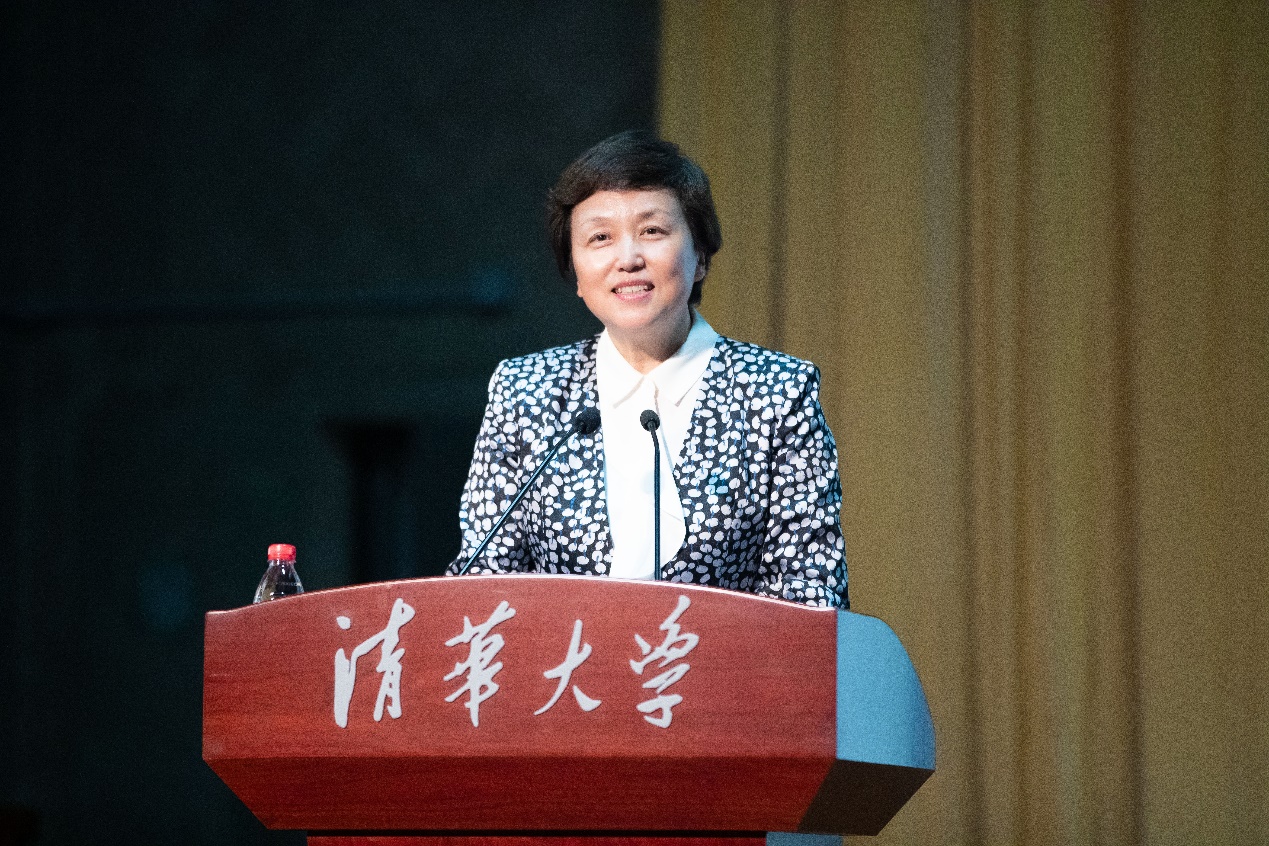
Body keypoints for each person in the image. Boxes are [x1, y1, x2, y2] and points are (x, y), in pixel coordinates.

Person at [447, 130, 848, 608]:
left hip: (721, 658)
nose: (628, 259)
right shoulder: (526, 393)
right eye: (600, 238)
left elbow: (810, 593)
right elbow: (485, 586)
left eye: (652, 231)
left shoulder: (776, 392)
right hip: (564, 657)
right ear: (576, 274)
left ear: (700, 256)